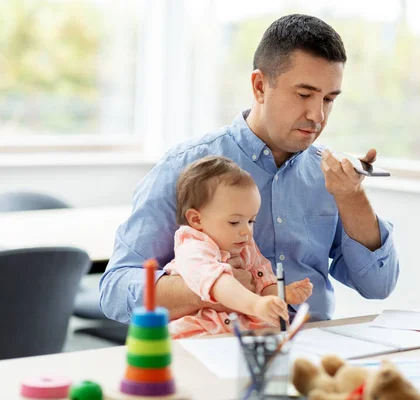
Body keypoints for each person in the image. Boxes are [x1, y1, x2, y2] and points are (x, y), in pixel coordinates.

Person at [100, 13, 399, 324]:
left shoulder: (333, 178)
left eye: (329, 99)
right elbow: (116, 290)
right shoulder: (185, 167)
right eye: (304, 94)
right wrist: (212, 287)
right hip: (215, 350)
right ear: (259, 86)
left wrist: (352, 198)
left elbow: (378, 286)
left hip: (310, 346)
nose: (317, 115)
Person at [165, 156, 312, 338]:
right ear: (196, 220)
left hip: (242, 331)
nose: (246, 231)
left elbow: (263, 280)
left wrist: (281, 296)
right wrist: (256, 305)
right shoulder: (192, 248)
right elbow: (219, 283)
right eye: (234, 222)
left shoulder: (245, 245)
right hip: (200, 330)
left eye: (251, 221)